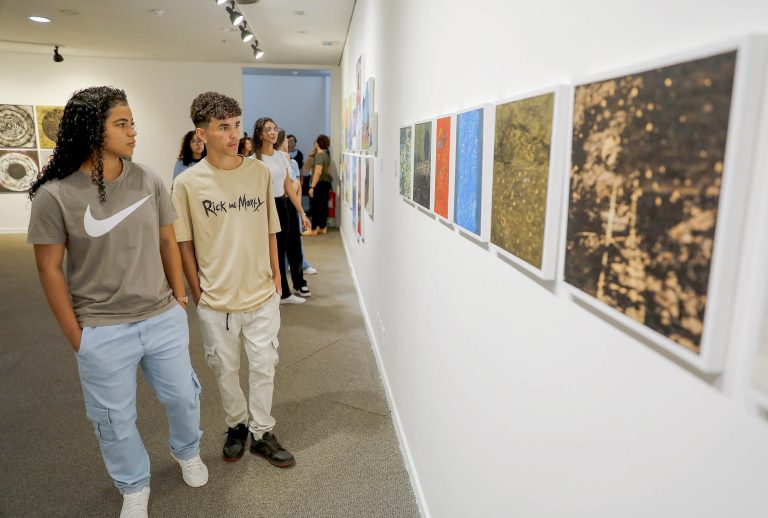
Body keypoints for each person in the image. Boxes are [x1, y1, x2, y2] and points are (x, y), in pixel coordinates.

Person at [27, 86, 207, 518]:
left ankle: (188, 452)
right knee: (113, 420)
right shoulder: (55, 195)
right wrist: (78, 337)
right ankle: (133, 484)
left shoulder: (148, 179)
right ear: (92, 130)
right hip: (101, 329)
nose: (133, 132)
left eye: (133, 122)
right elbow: (49, 269)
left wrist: (179, 297)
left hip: (162, 316)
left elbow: (168, 239)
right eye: (121, 124)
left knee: (184, 397)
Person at [172, 92, 296, 469]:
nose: (233, 134)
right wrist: (196, 291)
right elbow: (184, 243)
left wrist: (277, 277)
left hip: (260, 295)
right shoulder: (188, 184)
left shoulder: (258, 172)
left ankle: (261, 431)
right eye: (223, 127)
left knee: (264, 366)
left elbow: (271, 229)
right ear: (202, 132)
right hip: (216, 301)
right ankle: (236, 425)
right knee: (224, 370)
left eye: (236, 125)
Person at [252, 121, 311, 303]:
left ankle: (282, 292)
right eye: (268, 129)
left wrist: (302, 213)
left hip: (281, 204)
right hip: (264, 207)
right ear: (260, 134)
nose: (273, 132)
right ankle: (277, 292)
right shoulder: (253, 160)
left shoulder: (281, 157)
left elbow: (288, 186)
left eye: (274, 129)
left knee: (282, 248)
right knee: (270, 250)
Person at [278, 131, 317, 276]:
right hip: (282, 204)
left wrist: (299, 207)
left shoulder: (293, 161)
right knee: (284, 241)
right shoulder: (277, 162)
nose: (287, 146)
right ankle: (288, 266)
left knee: (296, 239)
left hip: (293, 204)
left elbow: (296, 186)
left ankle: (302, 266)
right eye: (285, 144)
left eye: (289, 143)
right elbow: (288, 187)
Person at [304, 134, 333, 236]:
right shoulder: (326, 155)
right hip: (325, 184)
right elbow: (328, 171)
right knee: (322, 206)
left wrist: (312, 187)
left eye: (316, 141)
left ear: (318, 143)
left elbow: (317, 172)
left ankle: (313, 229)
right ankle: (322, 227)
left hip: (319, 184)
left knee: (315, 206)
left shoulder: (320, 155)